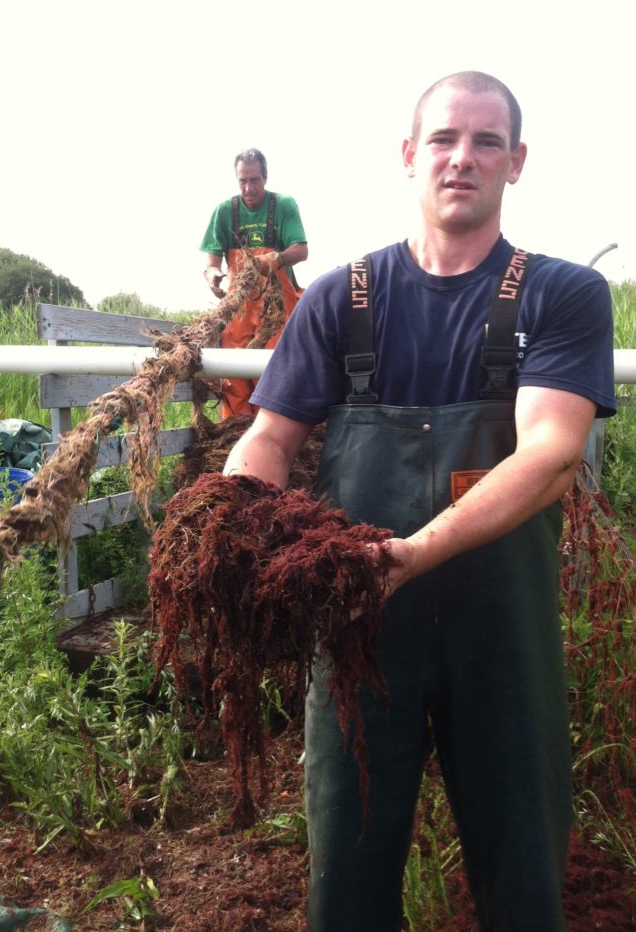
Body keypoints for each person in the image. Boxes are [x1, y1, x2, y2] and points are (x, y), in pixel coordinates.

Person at [223, 72, 616, 930]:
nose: (461, 159)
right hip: (361, 635)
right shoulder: (341, 298)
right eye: (443, 139)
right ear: (410, 155)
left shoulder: (560, 295)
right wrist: (230, 518)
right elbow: (270, 439)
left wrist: (403, 557)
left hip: (500, 638)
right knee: (347, 876)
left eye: (485, 142)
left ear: (516, 162)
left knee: (521, 876)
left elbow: (550, 455)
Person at [200, 148, 308, 419]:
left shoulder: (283, 205)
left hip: (277, 310)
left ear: (265, 178)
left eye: (255, 180)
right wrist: (213, 275)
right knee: (234, 378)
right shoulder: (225, 212)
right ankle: (233, 443)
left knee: (275, 376)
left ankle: (273, 439)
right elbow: (211, 263)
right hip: (238, 312)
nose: (249, 188)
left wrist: (277, 258)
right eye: (243, 181)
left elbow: (301, 250)